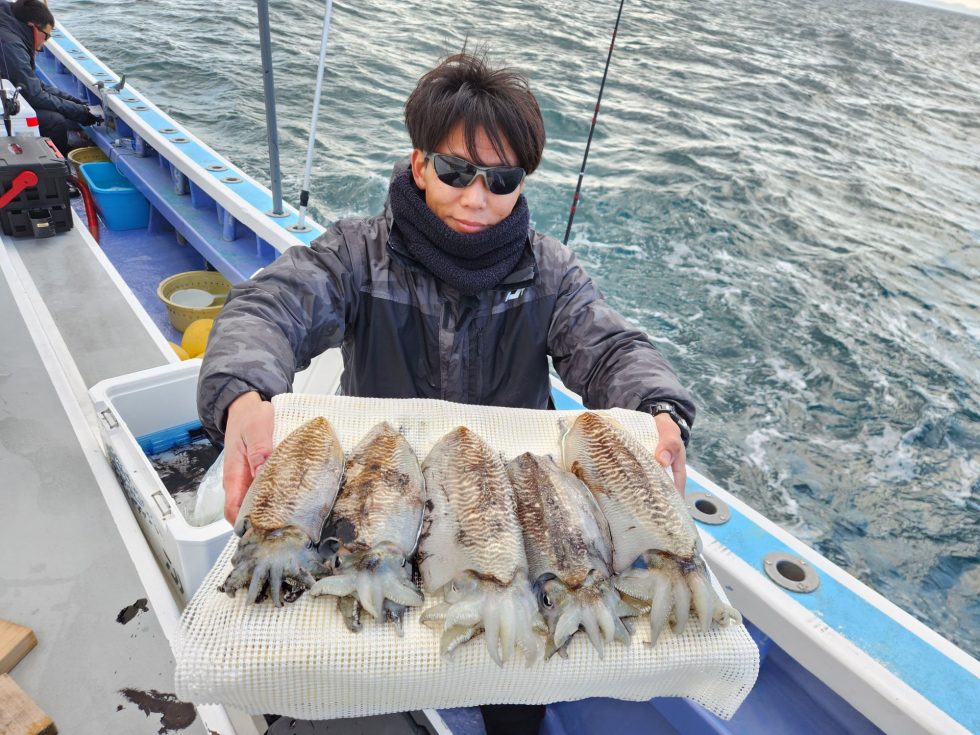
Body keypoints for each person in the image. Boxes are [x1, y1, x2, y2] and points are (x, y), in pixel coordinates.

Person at [198, 50, 695, 735]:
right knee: (338, 670)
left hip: (513, 505)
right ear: (419, 163)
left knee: (517, 685)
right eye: (456, 171)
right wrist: (245, 394)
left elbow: (612, 348)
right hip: (377, 489)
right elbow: (267, 309)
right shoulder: (356, 252)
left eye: (502, 179)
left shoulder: (550, 272)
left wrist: (658, 410)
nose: (476, 197)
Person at [0, 0, 101, 153]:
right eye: (46, 36)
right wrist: (81, 113)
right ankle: (60, 169)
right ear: (32, 26)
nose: (45, 42)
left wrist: (76, 103)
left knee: (65, 113)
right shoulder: (11, 45)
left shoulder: (8, 19)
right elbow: (34, 95)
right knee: (56, 122)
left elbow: (33, 85)